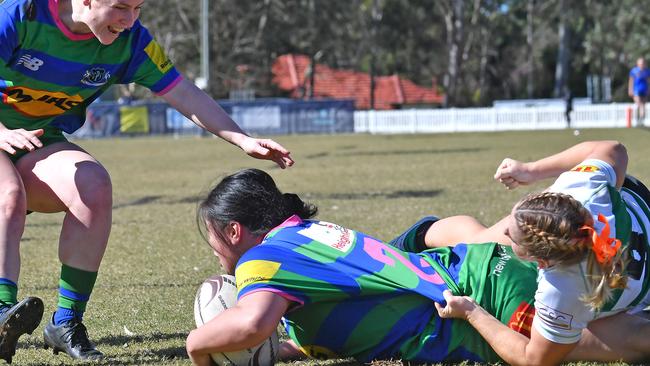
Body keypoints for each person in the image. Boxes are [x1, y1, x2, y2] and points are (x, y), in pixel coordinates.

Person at [0, 0, 294, 362]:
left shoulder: (131, 41)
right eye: (121, 6)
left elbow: (181, 91)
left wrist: (243, 139)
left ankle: (66, 323)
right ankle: (1, 311)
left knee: (93, 185)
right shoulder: (19, 15)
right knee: (8, 193)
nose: (129, 19)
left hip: (34, 140)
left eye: (138, 7)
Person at [185, 168, 650, 366]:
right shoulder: (305, 234)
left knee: (598, 343)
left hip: (479, 303)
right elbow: (335, 316)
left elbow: (250, 324)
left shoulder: (260, 259)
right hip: (475, 265)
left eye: (213, 243)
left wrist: (197, 345)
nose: (218, 258)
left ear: (234, 233)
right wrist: (281, 347)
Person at [434, 140, 650, 366]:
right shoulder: (582, 188)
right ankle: (416, 237)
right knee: (477, 241)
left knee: (568, 337)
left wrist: (471, 312)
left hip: (629, 279)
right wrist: (530, 170)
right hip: (639, 217)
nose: (506, 229)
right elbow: (613, 149)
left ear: (542, 262)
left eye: (512, 236)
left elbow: (533, 359)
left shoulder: (562, 289)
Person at [628, 57, 650, 125]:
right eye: (640, 63)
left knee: (642, 105)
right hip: (636, 90)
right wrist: (630, 90)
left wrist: (649, 89)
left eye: (643, 63)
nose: (641, 64)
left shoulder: (647, 71)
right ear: (637, 64)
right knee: (639, 104)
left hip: (644, 89)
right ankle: (639, 118)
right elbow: (631, 81)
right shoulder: (634, 71)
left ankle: (641, 119)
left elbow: (648, 81)